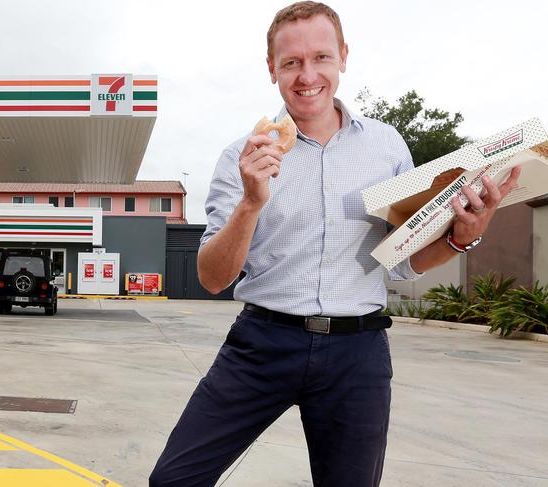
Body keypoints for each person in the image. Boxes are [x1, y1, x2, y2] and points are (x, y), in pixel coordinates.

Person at [149, 2, 521, 486]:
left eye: (320, 57)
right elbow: (212, 277)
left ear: (343, 56)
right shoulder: (242, 157)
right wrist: (250, 202)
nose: (307, 76)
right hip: (263, 344)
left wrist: (462, 238)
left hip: (357, 352)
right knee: (174, 480)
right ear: (272, 69)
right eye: (291, 63)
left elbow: (403, 260)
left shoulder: (387, 148)